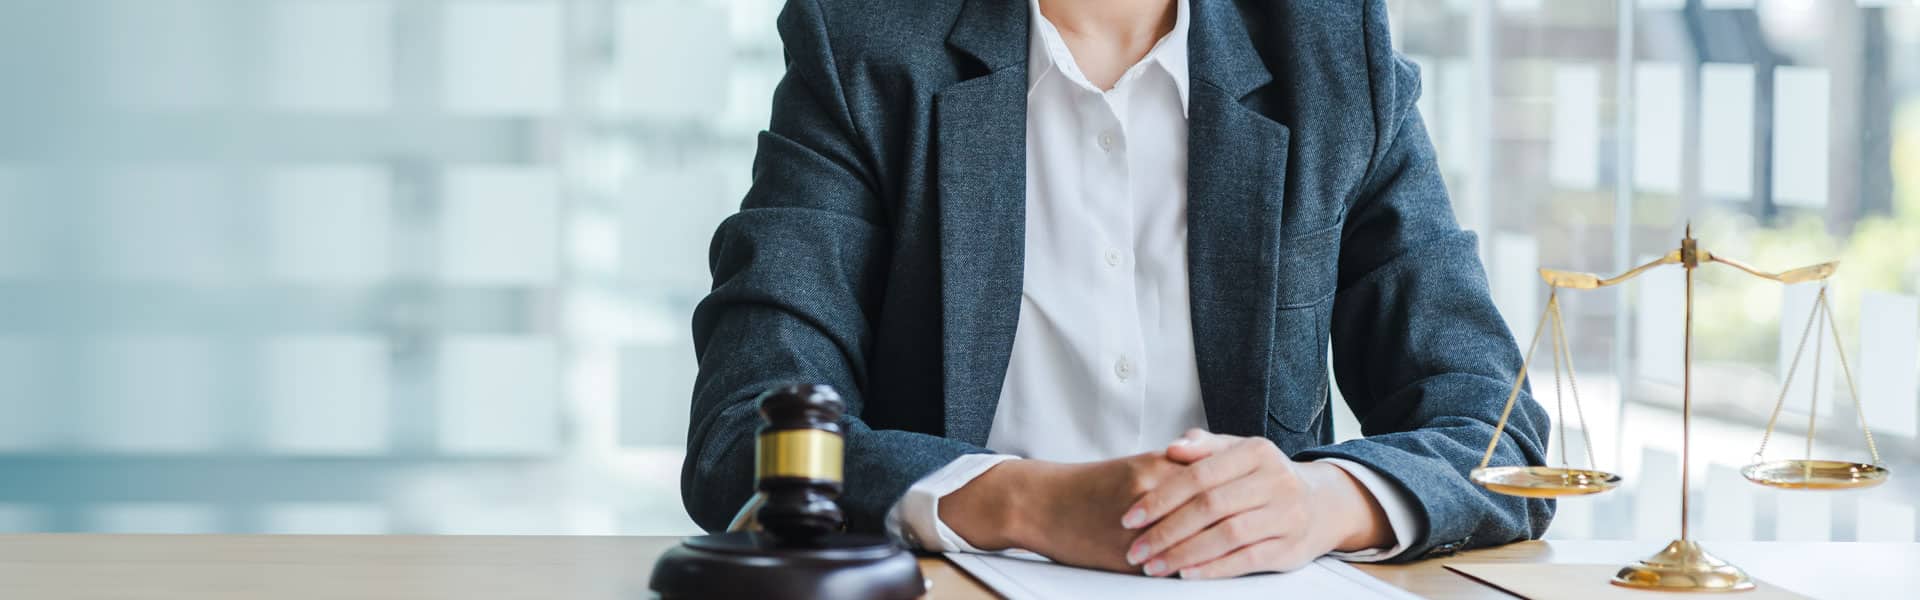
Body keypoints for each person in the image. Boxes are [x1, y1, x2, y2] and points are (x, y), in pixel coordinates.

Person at [683, 0, 1552, 579]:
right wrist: (1025, 501)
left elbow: (1497, 429)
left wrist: (1322, 502)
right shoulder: (865, 44)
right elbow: (744, 434)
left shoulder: (1329, 51)